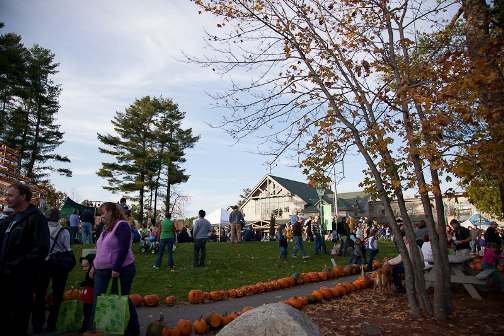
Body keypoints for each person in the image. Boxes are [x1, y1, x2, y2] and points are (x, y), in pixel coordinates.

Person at [0, 182, 50, 335]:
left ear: (23, 197)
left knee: (17, 320)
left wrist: (17, 266)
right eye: (6, 195)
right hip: (5, 278)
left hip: (21, 280)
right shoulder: (14, 218)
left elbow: (41, 249)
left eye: (10, 195)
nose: (6, 198)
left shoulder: (35, 218)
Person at [87, 202, 140, 335]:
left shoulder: (122, 226)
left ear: (111, 212)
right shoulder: (106, 229)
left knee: (121, 299)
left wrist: (116, 268)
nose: (101, 216)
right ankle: (95, 329)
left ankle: (132, 329)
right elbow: (100, 250)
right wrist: (94, 266)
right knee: (100, 300)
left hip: (120, 271)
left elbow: (124, 248)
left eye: (103, 213)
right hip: (101, 271)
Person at [32, 208, 73, 333]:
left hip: (43, 263)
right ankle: (53, 323)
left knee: (39, 294)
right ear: (58, 217)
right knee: (58, 294)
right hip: (59, 263)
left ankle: (37, 323)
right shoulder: (64, 231)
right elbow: (67, 248)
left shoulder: (41, 229)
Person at [79, 253, 95, 333]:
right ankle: (86, 327)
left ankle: (85, 328)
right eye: (83, 267)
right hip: (87, 299)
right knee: (86, 313)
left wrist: (84, 283)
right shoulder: (88, 273)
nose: (84, 269)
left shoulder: (92, 274)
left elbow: (91, 283)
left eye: (86, 266)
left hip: (90, 299)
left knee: (88, 314)